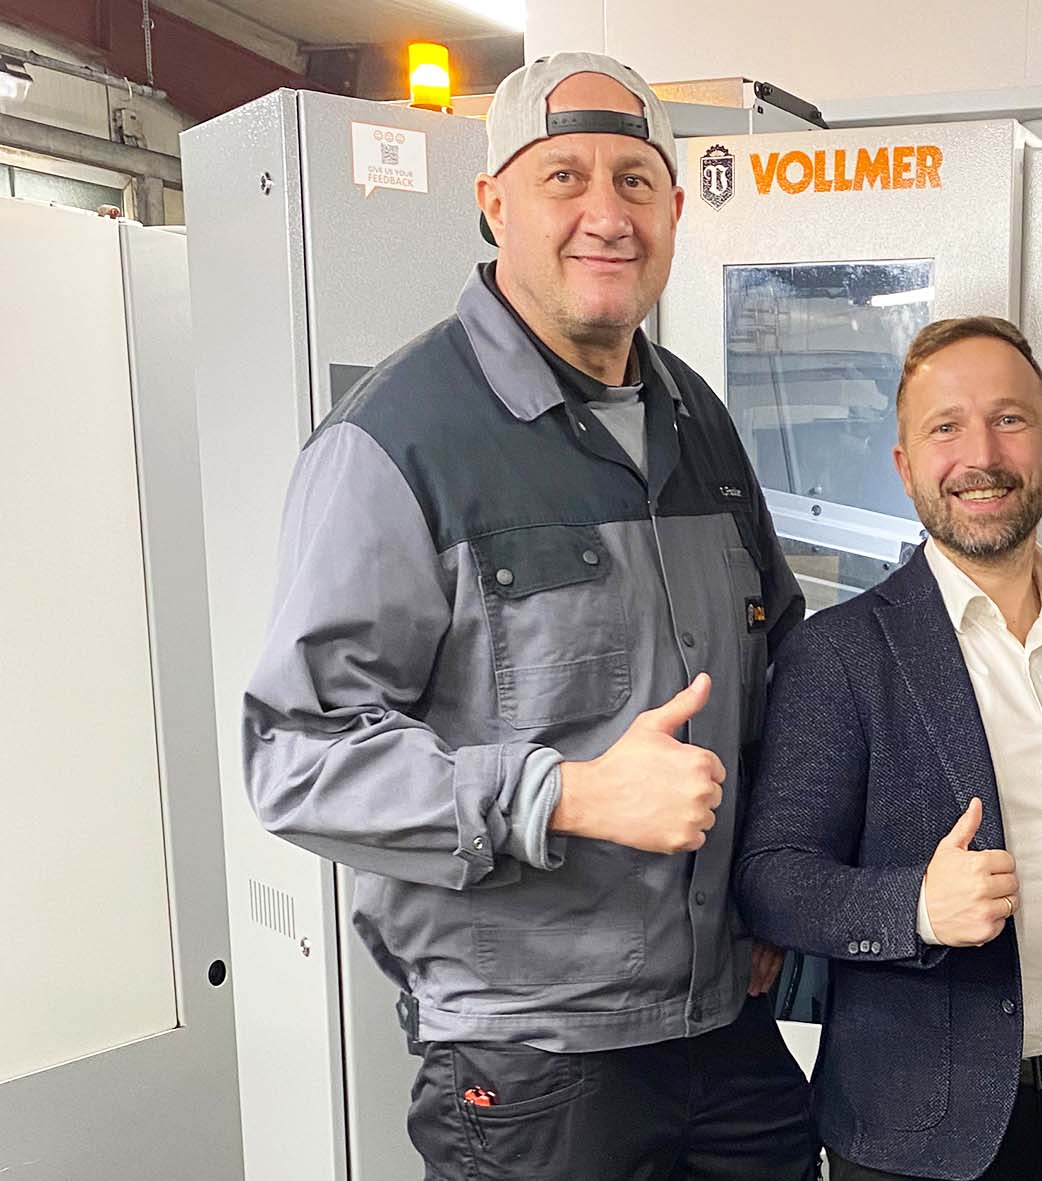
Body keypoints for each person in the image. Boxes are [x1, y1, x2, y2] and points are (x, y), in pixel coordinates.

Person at [242, 52, 815, 1179]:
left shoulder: (697, 419)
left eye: (634, 181)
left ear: (674, 208)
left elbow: (778, 670)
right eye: (565, 177)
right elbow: (298, 756)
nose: (606, 214)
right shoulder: (396, 442)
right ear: (494, 201)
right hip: (533, 1056)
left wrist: (774, 885)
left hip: (726, 1023)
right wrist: (569, 793)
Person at [735, 316, 1042, 1181]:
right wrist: (914, 905)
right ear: (906, 465)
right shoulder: (843, 654)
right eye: (945, 427)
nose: (980, 455)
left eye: (1008, 419)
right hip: (912, 1138)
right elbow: (772, 878)